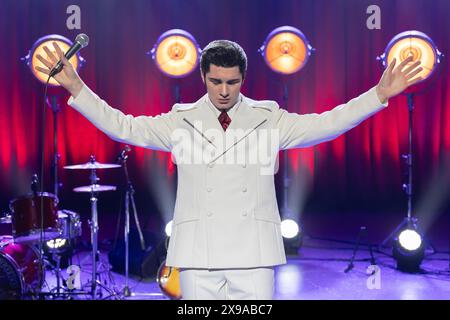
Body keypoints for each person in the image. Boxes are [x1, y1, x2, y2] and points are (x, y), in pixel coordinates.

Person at [36, 40, 422, 300]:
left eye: (232, 82)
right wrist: (78, 88)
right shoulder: (180, 121)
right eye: (216, 81)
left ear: (243, 79)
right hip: (197, 256)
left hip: (252, 255)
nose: (223, 90)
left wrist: (379, 95)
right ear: (203, 77)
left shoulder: (268, 118)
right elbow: (123, 125)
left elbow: (327, 123)